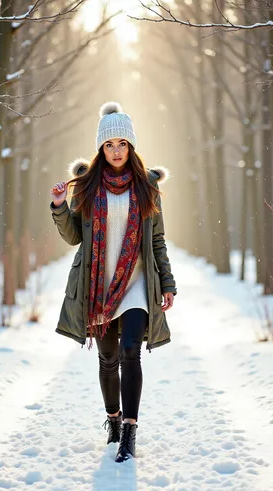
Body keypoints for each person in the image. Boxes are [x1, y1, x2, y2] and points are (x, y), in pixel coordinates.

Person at [49, 102, 176, 463]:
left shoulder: (147, 186)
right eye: (109, 145)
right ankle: (114, 420)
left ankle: (130, 434)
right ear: (101, 148)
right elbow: (75, 236)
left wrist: (167, 282)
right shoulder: (87, 186)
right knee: (107, 359)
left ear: (131, 146)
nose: (116, 151)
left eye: (122, 143)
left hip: (136, 282)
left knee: (131, 351)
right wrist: (60, 206)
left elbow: (157, 240)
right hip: (99, 285)